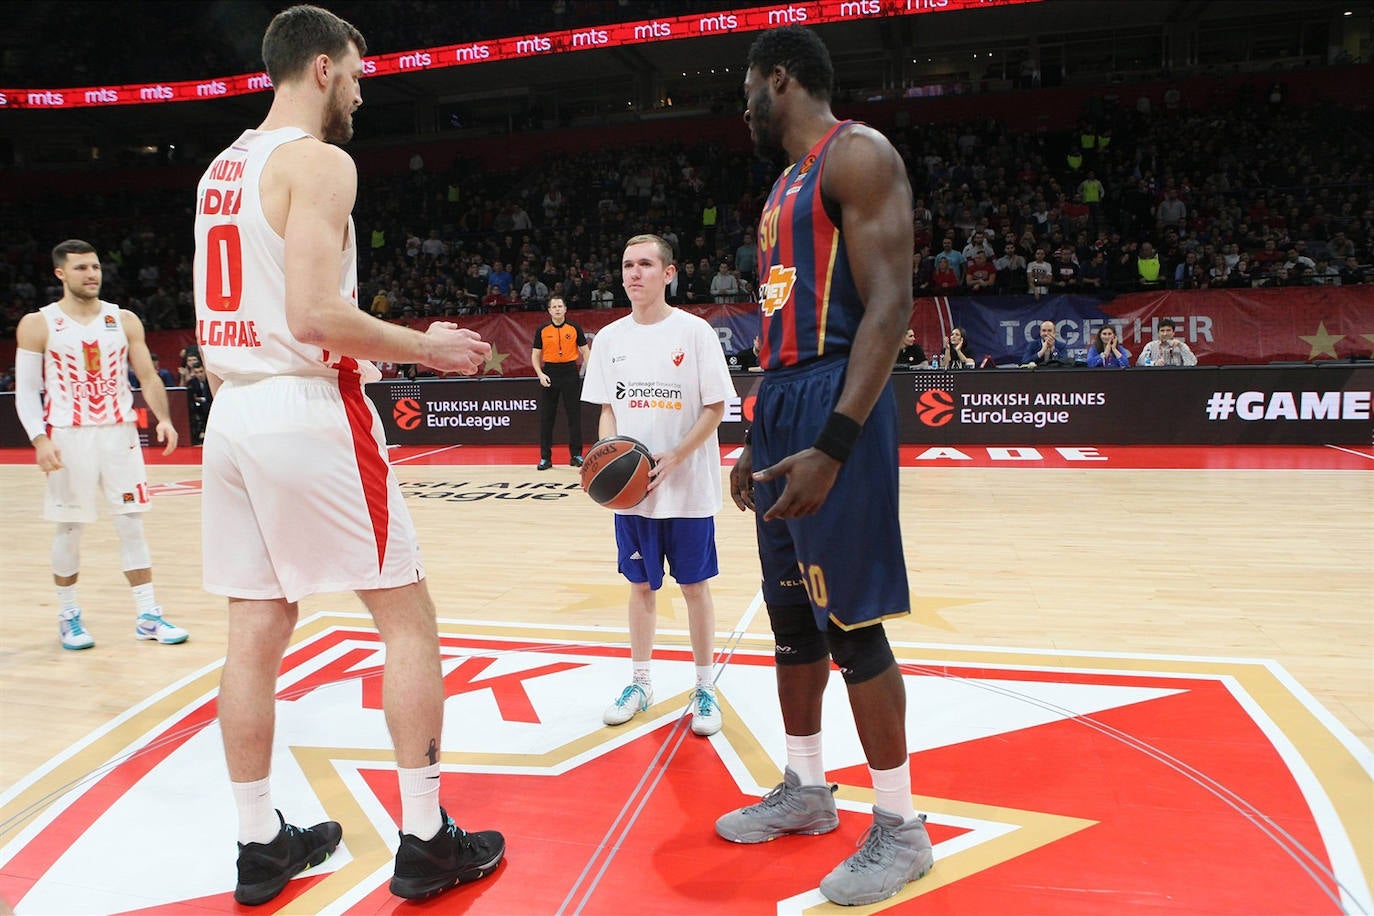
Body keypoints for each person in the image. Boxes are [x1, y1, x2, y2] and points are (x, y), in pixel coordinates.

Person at [191, 6, 503, 906]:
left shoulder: (223, 166)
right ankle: (426, 836)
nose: (363, 92)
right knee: (408, 616)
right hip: (305, 406)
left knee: (254, 633)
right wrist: (428, 347)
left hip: (233, 415)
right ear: (321, 67)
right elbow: (314, 316)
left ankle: (259, 846)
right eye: (359, 74)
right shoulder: (321, 160)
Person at [716, 27, 932, 908]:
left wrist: (833, 445)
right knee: (792, 619)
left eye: (747, 90)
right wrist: (755, 433)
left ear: (781, 80)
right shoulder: (779, 190)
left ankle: (902, 827)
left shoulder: (860, 154)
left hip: (840, 399)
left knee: (853, 626)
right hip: (783, 403)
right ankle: (806, 792)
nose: (742, 108)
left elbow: (891, 305)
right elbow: (781, 323)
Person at [580, 235, 734, 738]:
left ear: (669, 273)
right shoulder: (608, 339)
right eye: (627, 265)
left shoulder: (695, 333)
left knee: (694, 587)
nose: (634, 273)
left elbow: (716, 408)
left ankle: (705, 685)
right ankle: (641, 682)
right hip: (634, 496)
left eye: (646, 264)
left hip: (687, 486)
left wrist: (677, 457)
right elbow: (608, 411)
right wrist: (610, 461)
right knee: (640, 587)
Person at [13, 239, 186, 652]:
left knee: (131, 522)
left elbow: (147, 375)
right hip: (68, 435)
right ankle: (68, 614)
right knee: (70, 529)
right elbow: (27, 391)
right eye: (80, 268)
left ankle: (148, 614)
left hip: (119, 433)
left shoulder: (123, 318)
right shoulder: (38, 323)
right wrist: (39, 439)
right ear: (60, 273)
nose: (91, 274)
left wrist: (164, 418)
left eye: (95, 267)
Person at [531, 294, 589, 469]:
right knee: (547, 417)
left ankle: (576, 456)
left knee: (574, 416)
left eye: (560, 306)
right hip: (550, 373)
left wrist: (591, 370)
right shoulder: (542, 329)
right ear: (549, 310)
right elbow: (535, 355)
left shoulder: (574, 327)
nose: (557, 309)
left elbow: (585, 351)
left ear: (565, 309)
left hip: (570, 372)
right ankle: (545, 458)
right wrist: (540, 374)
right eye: (553, 307)